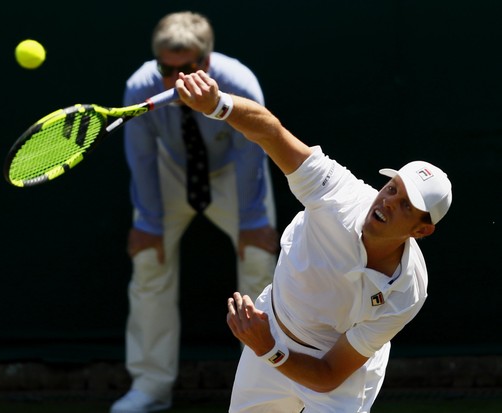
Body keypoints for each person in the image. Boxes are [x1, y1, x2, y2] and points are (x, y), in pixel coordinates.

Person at [175, 71, 453, 412]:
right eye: (392, 188)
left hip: (333, 374)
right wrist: (218, 105)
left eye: (406, 205)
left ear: (421, 230)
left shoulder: (408, 290)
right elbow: (270, 132)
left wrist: (268, 350)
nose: (387, 202)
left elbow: (329, 374)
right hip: (272, 328)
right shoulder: (337, 192)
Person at [110, 11, 279, 413]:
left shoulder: (239, 84)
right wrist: (149, 225)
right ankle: (150, 388)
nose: (176, 80)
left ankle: (266, 390)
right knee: (149, 261)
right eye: (166, 69)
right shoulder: (140, 87)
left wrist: (252, 222)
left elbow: (251, 153)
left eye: (187, 68)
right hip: (168, 172)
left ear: (206, 60)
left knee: (259, 260)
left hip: (233, 174)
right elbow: (142, 158)